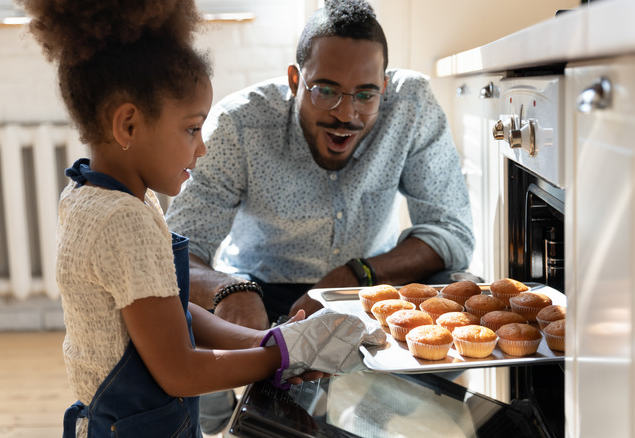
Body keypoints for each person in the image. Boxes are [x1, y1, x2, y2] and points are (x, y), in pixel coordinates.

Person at [18, 1, 385, 436]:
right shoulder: (123, 221)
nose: (202, 148)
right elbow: (179, 370)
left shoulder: (96, 195)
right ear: (128, 125)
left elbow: (166, 311)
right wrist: (286, 355)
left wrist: (265, 341)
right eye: (192, 129)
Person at [165, 0, 476, 330]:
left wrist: (353, 274)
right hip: (258, 289)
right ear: (295, 80)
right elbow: (175, 250)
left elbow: (452, 232)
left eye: (366, 95)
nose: (345, 114)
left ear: (384, 88)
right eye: (326, 91)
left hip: (370, 282)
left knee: (462, 293)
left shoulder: (411, 105)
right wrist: (228, 290)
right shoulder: (239, 125)